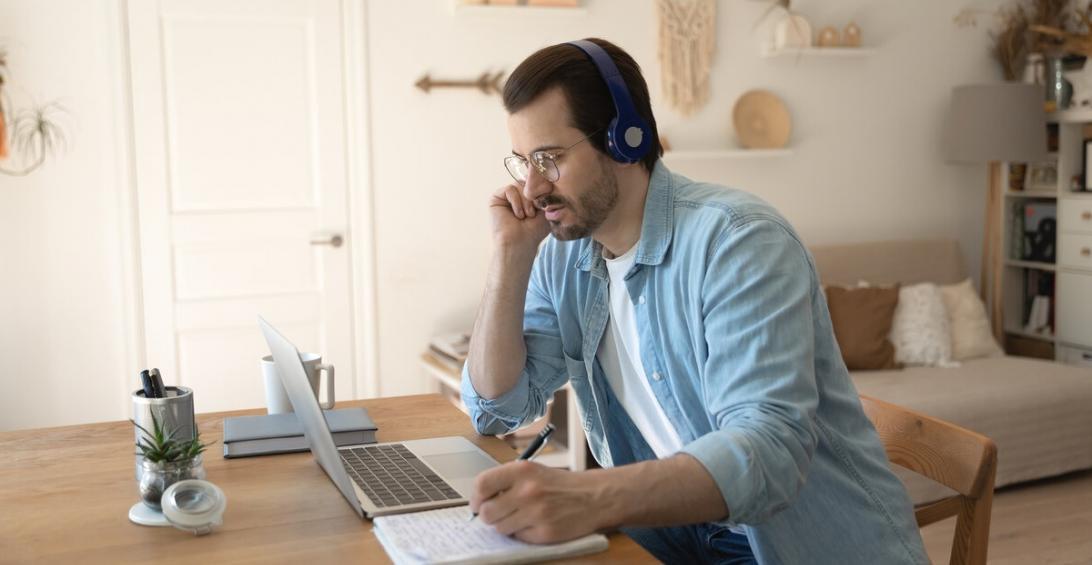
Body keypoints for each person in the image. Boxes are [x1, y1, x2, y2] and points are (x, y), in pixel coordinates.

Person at [460, 37, 929, 564]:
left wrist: (588, 495)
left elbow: (769, 453)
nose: (532, 187)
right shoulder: (563, 257)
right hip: (671, 531)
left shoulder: (739, 241)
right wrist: (508, 257)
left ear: (624, 138)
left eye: (548, 158)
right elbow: (495, 408)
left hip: (786, 541)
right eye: (522, 161)